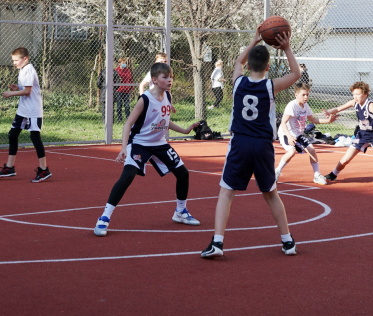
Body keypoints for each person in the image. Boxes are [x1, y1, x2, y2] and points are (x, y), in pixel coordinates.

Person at [201, 28, 301, 259]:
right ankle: (287, 241)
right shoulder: (270, 86)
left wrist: (254, 40)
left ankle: (217, 242)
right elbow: (295, 73)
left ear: (248, 66)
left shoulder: (237, 83)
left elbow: (237, 61)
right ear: (268, 67)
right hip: (262, 145)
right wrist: (286, 48)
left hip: (240, 143)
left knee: (226, 193)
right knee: (271, 193)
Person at [93, 62, 200, 237]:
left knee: (183, 173)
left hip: (159, 143)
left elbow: (165, 121)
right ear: (155, 80)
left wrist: (186, 130)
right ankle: (104, 217)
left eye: (171, 77)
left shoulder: (168, 97)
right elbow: (128, 123)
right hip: (140, 143)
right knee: (127, 176)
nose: (170, 80)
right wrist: (123, 148)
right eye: (166, 77)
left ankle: (180, 212)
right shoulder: (144, 99)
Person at [0, 47, 50, 182]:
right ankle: (9, 167)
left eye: (16, 60)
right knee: (12, 134)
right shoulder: (23, 70)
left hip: (33, 110)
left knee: (35, 137)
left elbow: (28, 92)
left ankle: (44, 170)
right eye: (13, 60)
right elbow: (25, 88)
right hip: (23, 110)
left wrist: (11, 94)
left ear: (25, 59)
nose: (14, 63)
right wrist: (17, 88)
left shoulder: (29, 70)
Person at [275, 82, 338, 185]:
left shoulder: (305, 106)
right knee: (292, 152)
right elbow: (283, 122)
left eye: (307, 94)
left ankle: (316, 175)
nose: (306, 97)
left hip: (298, 135)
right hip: (286, 134)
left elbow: (313, 119)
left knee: (312, 150)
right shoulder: (292, 105)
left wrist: (328, 121)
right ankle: (277, 171)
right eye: (303, 95)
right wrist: (289, 137)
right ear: (296, 95)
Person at [115, 57, 134, 122]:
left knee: (127, 106)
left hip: (127, 90)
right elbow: (114, 80)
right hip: (119, 90)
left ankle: (128, 118)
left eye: (125, 63)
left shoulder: (128, 70)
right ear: (119, 63)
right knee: (119, 105)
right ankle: (119, 119)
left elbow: (130, 79)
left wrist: (132, 88)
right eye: (123, 63)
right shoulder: (116, 70)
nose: (124, 64)